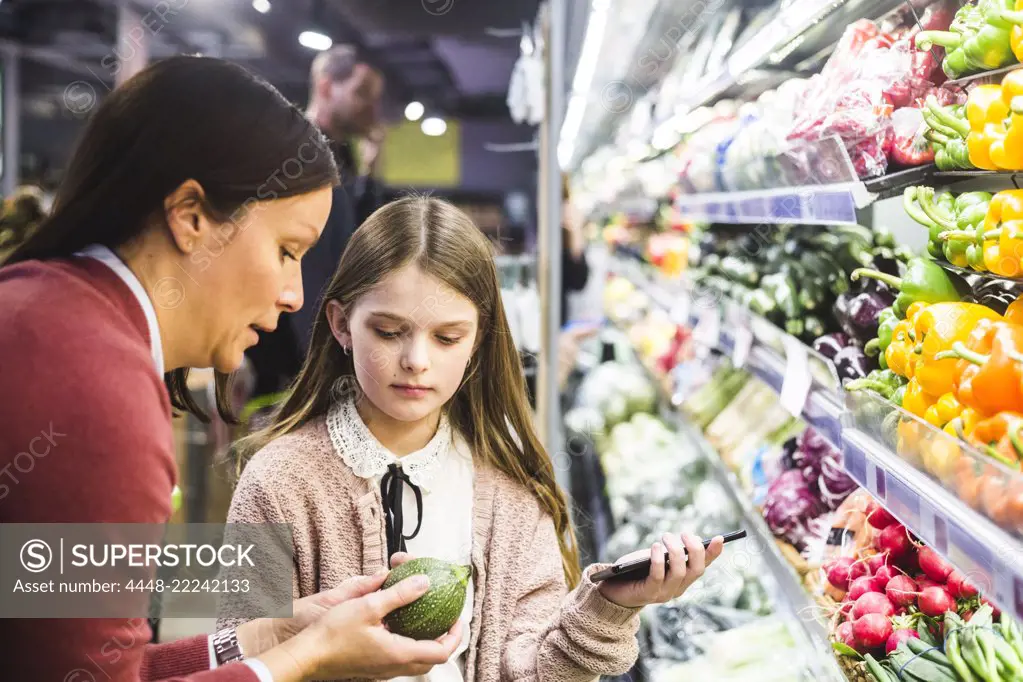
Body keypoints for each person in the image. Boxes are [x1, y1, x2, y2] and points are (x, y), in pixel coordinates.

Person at [0, 56, 461, 682]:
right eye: (286, 251)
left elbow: (64, 626)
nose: (296, 294)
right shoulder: (98, 388)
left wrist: (272, 634)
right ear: (191, 218)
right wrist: (305, 659)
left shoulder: (46, 315)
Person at [221, 196, 724, 680]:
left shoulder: (510, 488)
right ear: (341, 324)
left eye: (446, 338)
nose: (417, 360)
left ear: (479, 340)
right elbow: (227, 653)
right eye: (389, 331)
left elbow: (530, 671)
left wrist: (612, 605)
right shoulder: (275, 478)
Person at [245, 45, 386, 411]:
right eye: (359, 94)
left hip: (322, 351)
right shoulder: (293, 153)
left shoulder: (343, 159)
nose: (369, 109)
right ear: (326, 87)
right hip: (287, 357)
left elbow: (356, 244)